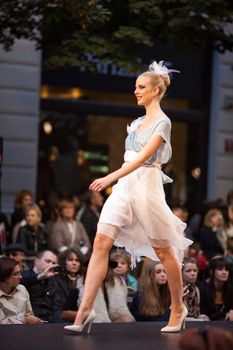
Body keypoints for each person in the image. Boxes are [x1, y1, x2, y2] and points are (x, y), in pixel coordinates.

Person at [64, 60, 192, 334]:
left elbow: (145, 158)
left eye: (141, 87)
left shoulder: (163, 122)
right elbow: (132, 158)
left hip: (145, 186)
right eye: (136, 87)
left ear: (156, 91)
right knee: (100, 242)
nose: (136, 91)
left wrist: (111, 176)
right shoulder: (135, 123)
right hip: (125, 187)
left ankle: (178, 308)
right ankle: (85, 311)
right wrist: (117, 179)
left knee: (163, 251)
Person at [21, 250, 62, 323]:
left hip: (48, 323)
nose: (51, 265)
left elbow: (56, 307)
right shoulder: (23, 276)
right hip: (30, 322)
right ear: (37, 262)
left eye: (54, 263)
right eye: (48, 261)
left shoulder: (53, 280)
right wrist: (40, 277)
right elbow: (22, 281)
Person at [0, 257, 42, 324]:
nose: (20, 277)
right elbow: (2, 323)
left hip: (25, 330)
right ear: (4, 277)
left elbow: (29, 315)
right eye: (15, 274)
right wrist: (25, 320)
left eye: (20, 273)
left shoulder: (22, 289)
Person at [54, 248, 85, 322]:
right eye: (70, 260)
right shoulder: (57, 279)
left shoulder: (84, 279)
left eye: (77, 260)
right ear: (64, 262)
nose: (74, 263)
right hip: (62, 318)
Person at [199, 256, 233, 321]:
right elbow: (204, 316)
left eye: (226, 270)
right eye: (220, 269)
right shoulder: (203, 290)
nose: (224, 272)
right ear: (212, 272)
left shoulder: (231, 290)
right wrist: (225, 315)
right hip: (207, 327)